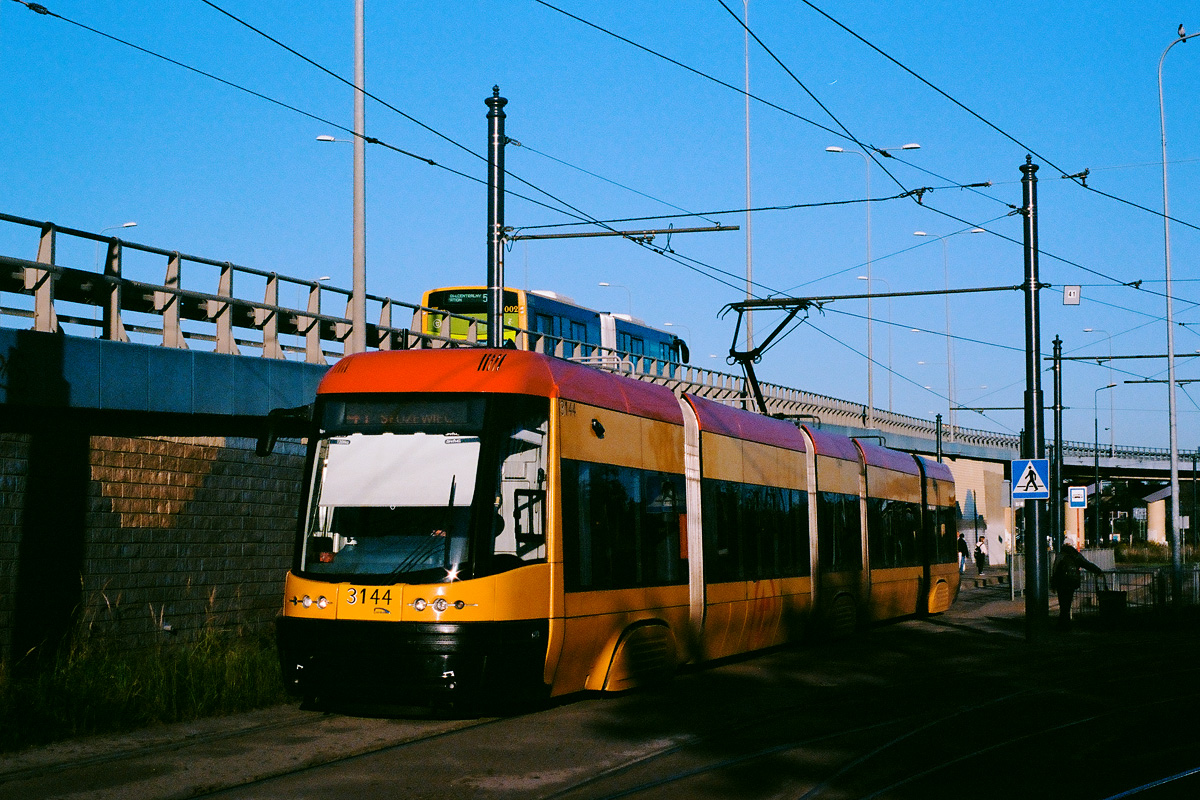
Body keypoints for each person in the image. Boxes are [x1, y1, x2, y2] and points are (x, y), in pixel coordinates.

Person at [1050, 534, 1104, 630]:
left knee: (1063, 604)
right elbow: (1086, 564)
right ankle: (1065, 624)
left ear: (1063, 545)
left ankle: (1063, 625)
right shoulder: (1075, 555)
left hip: (1061, 583)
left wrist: (1053, 585)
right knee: (1068, 603)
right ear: (1072, 545)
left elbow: (1055, 570)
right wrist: (1098, 570)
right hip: (1072, 582)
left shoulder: (1060, 555)